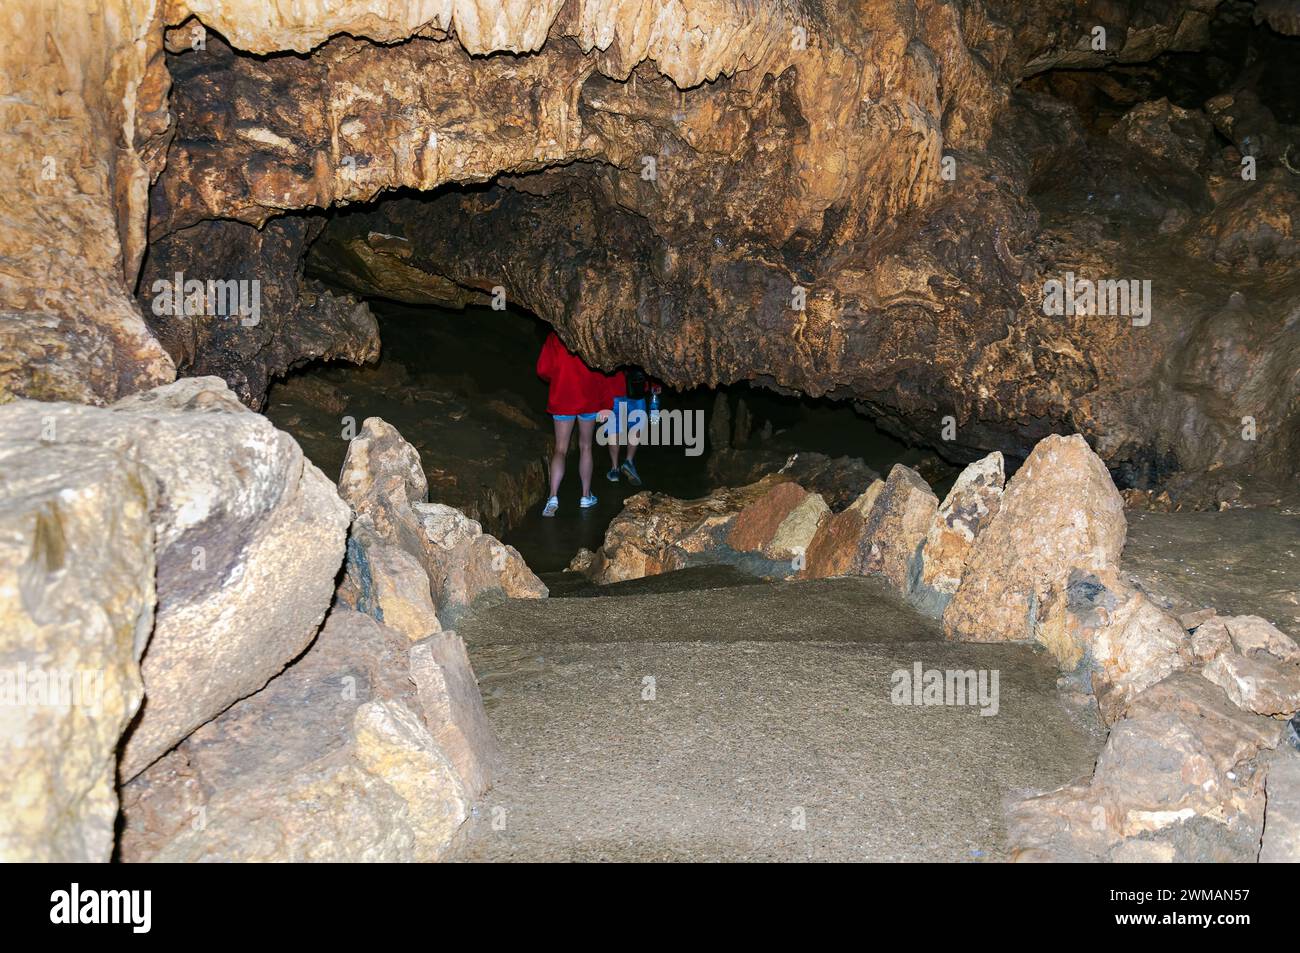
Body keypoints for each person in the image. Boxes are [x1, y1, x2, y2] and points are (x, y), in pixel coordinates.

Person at [535, 330, 612, 517]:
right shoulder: (592, 334)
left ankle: (552, 497)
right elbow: (603, 373)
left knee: (560, 448)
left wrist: (558, 378)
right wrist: (606, 404)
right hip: (589, 397)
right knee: (586, 446)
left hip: (563, 396)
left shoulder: (555, 336)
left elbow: (542, 369)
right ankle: (585, 496)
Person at [602, 367, 649, 487]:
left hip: (614, 387)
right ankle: (628, 461)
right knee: (636, 425)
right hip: (636, 385)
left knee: (614, 428)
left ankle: (614, 469)